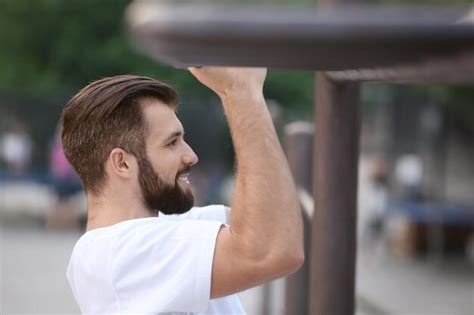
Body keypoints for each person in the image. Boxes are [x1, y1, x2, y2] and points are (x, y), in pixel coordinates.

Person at [64, 67, 304, 314]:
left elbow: (274, 220)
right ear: (122, 163)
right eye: (172, 143)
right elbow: (272, 250)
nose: (191, 155)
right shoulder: (118, 253)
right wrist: (241, 92)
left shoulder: (159, 229)